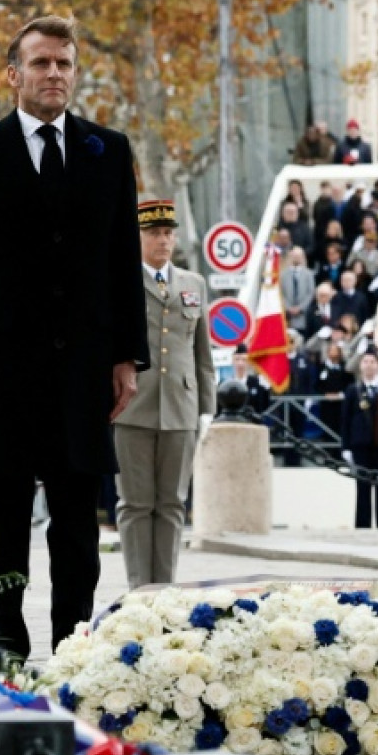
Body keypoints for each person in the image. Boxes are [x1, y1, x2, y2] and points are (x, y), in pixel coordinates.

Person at [0, 16, 148, 658]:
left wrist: (127, 357)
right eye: (41, 63)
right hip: (1, 369)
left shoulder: (108, 150)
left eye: (64, 64)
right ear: (13, 75)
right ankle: (5, 630)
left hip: (83, 367)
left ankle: (73, 633)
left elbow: (122, 260)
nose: (54, 74)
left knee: (77, 513)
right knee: (3, 508)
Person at [111, 199, 215, 588]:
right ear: (137, 237)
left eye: (168, 233)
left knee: (173, 503)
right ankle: (140, 587)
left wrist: (207, 407)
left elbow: (201, 353)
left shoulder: (194, 284)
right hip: (133, 406)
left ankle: (166, 588)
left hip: (181, 407)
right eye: (154, 233)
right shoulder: (119, 282)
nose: (163, 241)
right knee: (136, 503)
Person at [340, 350, 378, 528]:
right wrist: (345, 447)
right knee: (362, 488)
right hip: (360, 445)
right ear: (360, 366)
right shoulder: (353, 390)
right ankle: (362, 527)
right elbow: (345, 420)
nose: (369, 365)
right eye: (366, 361)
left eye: (373, 362)